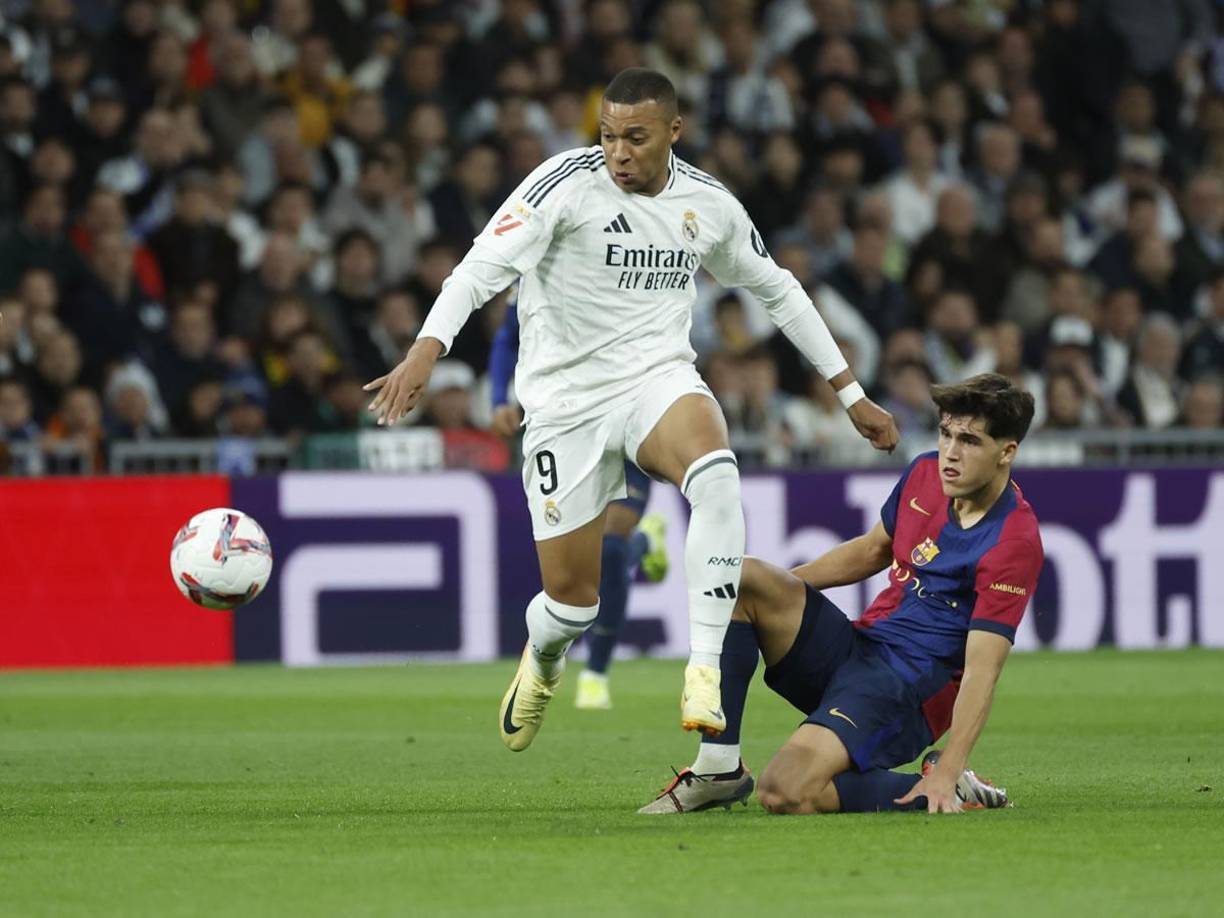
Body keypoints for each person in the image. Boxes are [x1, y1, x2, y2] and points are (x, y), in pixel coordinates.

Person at [364, 68, 898, 752]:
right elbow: (476, 271)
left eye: (636, 138)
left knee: (716, 474)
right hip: (564, 403)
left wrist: (850, 393)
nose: (618, 152)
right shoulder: (563, 184)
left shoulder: (709, 204)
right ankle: (545, 658)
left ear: (674, 132)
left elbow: (779, 290)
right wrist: (424, 352)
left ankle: (703, 666)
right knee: (572, 604)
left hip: (656, 380)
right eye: (609, 135)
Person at [640, 374, 1041, 815]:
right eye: (946, 433)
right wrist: (781, 595)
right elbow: (872, 550)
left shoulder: (1013, 541)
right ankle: (719, 768)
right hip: (858, 649)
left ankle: (948, 787)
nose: (950, 452)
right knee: (743, 579)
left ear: (1007, 452)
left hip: (902, 689)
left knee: (784, 791)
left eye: (970, 441)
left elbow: (983, 670)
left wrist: (950, 764)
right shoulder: (925, 472)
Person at [489, 302, 670, 710]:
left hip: (630, 416)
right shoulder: (538, 267)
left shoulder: (629, 260)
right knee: (581, 564)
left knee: (610, 546)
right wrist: (498, 398)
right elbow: (507, 337)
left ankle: (596, 673)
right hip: (568, 423)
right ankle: (645, 544)